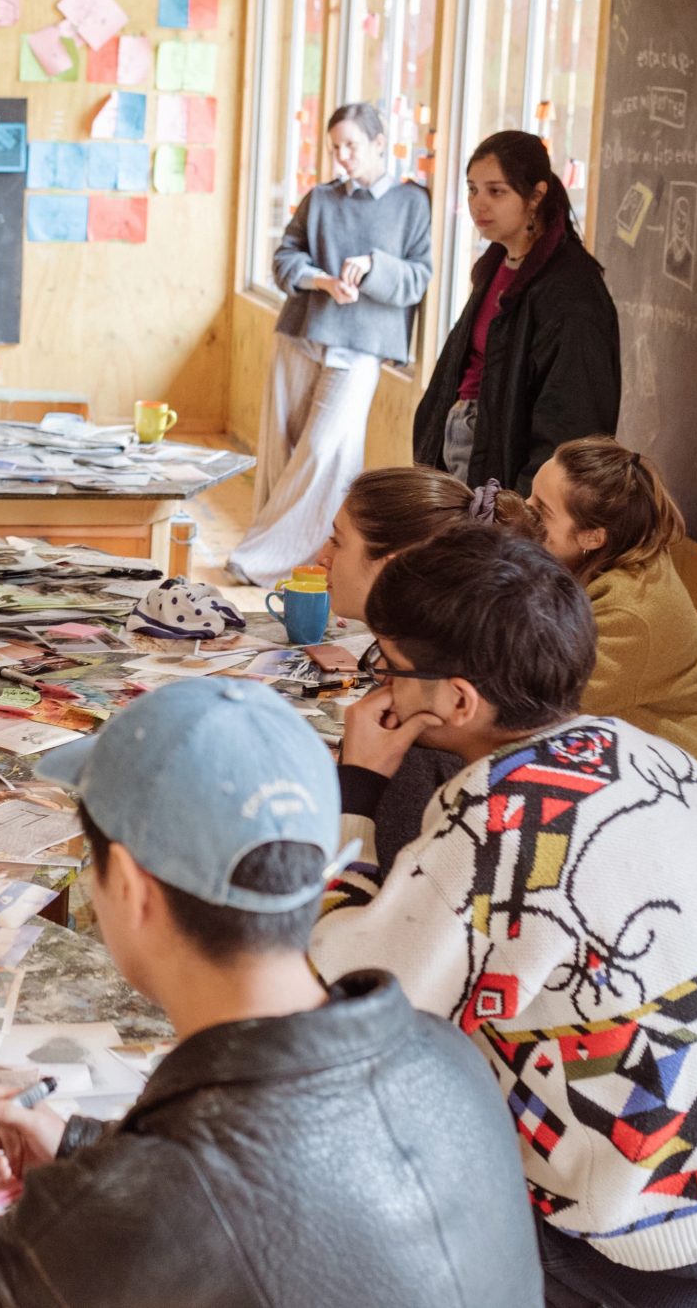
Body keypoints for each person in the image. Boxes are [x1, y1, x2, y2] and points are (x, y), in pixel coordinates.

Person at [0, 677, 543, 1308]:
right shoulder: (448, 1057)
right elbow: (290, 1213)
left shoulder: (150, 1211)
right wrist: (88, 1149)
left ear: (128, 886)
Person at [316, 530, 697, 1308]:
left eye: (387, 665)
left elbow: (346, 998)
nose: (379, 683)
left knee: (344, 1194)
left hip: (642, 1256)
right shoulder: (654, 755)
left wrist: (357, 793)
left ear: (456, 700)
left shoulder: (493, 817)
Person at [227, 103, 434, 583]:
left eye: (352, 146)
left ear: (380, 143)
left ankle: (266, 559)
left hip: (362, 347)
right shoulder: (319, 198)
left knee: (325, 453)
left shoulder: (411, 204)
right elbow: (283, 259)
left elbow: (418, 280)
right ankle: (290, 553)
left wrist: (372, 266)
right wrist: (320, 281)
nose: (342, 157)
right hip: (302, 333)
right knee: (284, 448)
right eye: (335, 147)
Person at [527, 436, 697, 821]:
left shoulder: (629, 612)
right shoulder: (607, 554)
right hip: (647, 767)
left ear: (592, 537)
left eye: (541, 511)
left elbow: (542, 702)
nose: (525, 510)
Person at [315, 465, 529, 856]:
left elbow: (359, 904)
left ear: (391, 566)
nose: (322, 556)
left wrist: (356, 785)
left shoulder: (417, 749)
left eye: (338, 542)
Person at [412, 130, 619, 491]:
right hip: (463, 445)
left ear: (536, 196)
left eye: (496, 191)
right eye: (473, 189)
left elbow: (571, 413)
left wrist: (531, 501)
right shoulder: (495, 265)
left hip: (504, 468)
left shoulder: (570, 287)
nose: (479, 204)